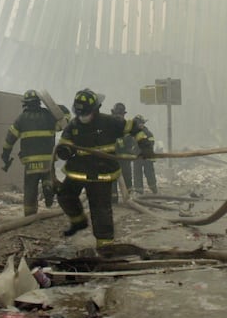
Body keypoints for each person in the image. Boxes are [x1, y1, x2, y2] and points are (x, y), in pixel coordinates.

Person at [55, 89, 153, 251]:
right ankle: (78, 221)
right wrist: (65, 151)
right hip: (78, 170)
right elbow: (66, 142)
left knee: (100, 209)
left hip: (101, 171)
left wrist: (145, 145)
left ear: (95, 109)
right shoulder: (74, 125)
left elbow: (134, 127)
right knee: (65, 195)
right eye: (80, 114)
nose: (83, 118)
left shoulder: (110, 122)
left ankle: (105, 245)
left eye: (86, 113)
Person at [1, 90, 69, 216]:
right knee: (48, 176)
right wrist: (57, 108)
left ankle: (29, 213)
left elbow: (9, 139)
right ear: (39, 102)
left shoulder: (21, 119)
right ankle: (48, 186)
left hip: (30, 161)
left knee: (30, 187)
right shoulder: (49, 116)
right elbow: (64, 123)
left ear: (25, 104)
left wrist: (5, 155)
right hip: (48, 159)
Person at [110, 102, 135, 200]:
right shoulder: (108, 124)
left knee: (126, 176)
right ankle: (114, 197)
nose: (118, 116)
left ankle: (127, 197)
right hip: (113, 157)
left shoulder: (127, 126)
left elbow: (129, 141)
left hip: (123, 158)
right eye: (117, 114)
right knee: (113, 178)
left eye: (120, 114)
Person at [132, 114, 158, 194]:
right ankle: (139, 190)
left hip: (147, 157)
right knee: (137, 173)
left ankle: (153, 188)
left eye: (140, 123)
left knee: (149, 173)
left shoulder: (148, 133)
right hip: (137, 157)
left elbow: (151, 143)